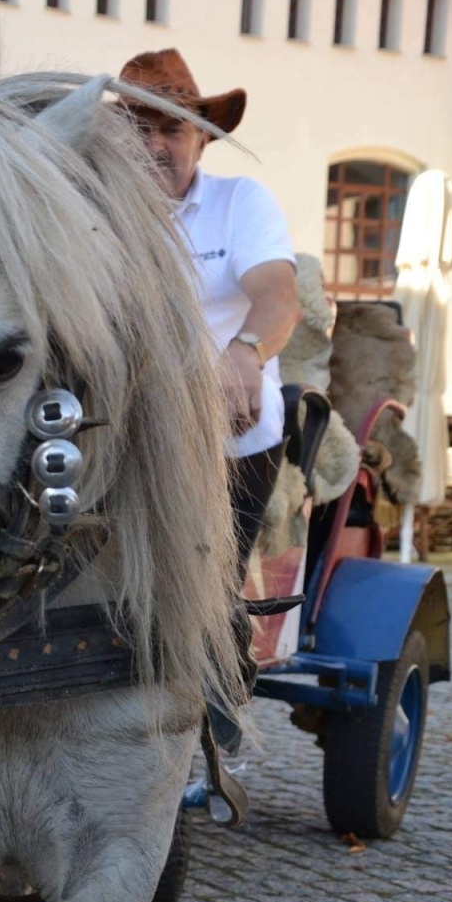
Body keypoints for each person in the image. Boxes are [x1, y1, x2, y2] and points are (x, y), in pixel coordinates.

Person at [118, 50, 305, 752]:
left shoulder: (240, 203)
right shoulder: (92, 210)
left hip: (224, 431)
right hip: (120, 426)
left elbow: (278, 295)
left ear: (202, 137)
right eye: (138, 129)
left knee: (202, 574)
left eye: (171, 129)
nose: (154, 146)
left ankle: (220, 654)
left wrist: (245, 351)